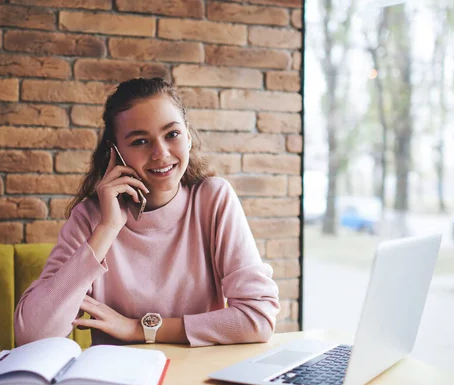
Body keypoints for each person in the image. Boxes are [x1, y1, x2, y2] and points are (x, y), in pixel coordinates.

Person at [14, 77, 280, 347]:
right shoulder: (91, 219)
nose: (160, 153)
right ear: (115, 154)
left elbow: (258, 318)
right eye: (140, 141)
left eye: (172, 134)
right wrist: (107, 229)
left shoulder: (213, 199)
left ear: (188, 136)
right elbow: (32, 336)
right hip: (119, 383)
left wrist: (139, 329)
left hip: (198, 379)